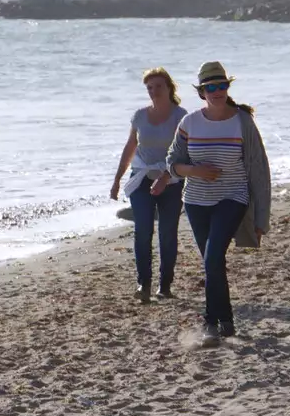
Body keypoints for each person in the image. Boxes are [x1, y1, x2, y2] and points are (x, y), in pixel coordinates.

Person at [155, 61, 271, 343]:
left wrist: (260, 220)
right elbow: (172, 163)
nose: (218, 91)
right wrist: (194, 171)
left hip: (233, 197)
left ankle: (209, 322)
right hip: (196, 201)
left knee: (212, 257)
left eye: (222, 86)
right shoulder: (189, 122)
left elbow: (259, 170)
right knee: (213, 261)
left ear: (228, 88)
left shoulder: (242, 121)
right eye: (211, 87)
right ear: (202, 92)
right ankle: (227, 320)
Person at [109, 67, 188, 304]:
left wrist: (166, 176)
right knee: (142, 230)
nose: (154, 91)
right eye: (149, 88)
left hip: (171, 180)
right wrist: (116, 180)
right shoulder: (140, 116)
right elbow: (130, 147)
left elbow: (184, 152)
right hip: (142, 178)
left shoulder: (180, 116)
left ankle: (165, 286)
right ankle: (143, 283)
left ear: (169, 87)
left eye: (158, 86)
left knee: (167, 232)